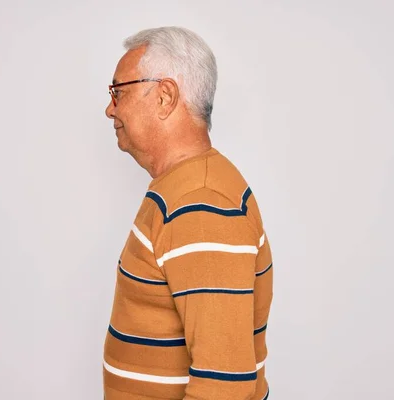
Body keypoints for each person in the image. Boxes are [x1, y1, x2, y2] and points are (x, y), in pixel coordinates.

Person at [103, 26, 273, 400]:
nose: (109, 108)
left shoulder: (201, 203)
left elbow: (225, 387)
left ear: (164, 96)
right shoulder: (184, 189)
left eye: (119, 92)